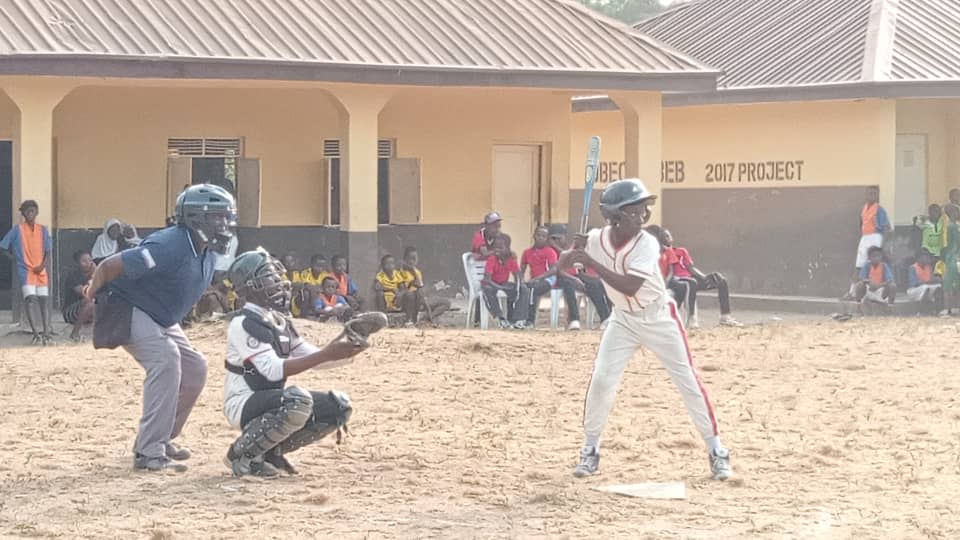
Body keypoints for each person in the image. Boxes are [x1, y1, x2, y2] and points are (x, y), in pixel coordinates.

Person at [557, 178, 731, 481]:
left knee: (687, 380)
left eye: (643, 211)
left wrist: (590, 262)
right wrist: (573, 251)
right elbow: (562, 266)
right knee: (601, 379)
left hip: (659, 317)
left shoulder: (647, 243)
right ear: (614, 216)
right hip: (623, 320)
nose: (642, 217)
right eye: (633, 212)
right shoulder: (597, 238)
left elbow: (630, 285)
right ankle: (590, 450)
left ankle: (717, 451)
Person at [84, 184, 237, 472]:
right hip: (131, 308)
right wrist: (91, 293)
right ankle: (149, 453)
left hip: (161, 316)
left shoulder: (207, 249)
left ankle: (161, 437)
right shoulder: (170, 244)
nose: (225, 224)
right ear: (196, 218)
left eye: (227, 217)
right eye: (218, 217)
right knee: (166, 361)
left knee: (195, 369)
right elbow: (109, 266)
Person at [222, 249, 365, 477]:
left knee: (338, 406)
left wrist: (351, 347)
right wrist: (327, 353)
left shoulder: (279, 321)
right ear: (250, 287)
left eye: (278, 276)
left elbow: (314, 357)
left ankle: (270, 451)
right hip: (244, 401)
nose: (279, 283)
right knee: (297, 399)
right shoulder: (244, 324)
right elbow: (271, 370)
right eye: (270, 277)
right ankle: (241, 454)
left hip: (270, 401)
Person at [657, 228, 743, 328]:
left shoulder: (682, 251)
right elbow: (668, 272)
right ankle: (691, 320)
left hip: (689, 278)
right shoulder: (662, 255)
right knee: (691, 283)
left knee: (720, 279)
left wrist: (704, 277)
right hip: (677, 280)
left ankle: (725, 317)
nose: (667, 238)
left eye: (668, 236)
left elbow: (691, 268)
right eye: (664, 237)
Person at [0, 200, 53, 345]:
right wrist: (15, 260)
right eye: (27, 211)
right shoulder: (17, 230)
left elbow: (48, 251)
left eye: (33, 211)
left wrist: (43, 265)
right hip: (26, 270)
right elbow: (3, 247)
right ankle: (36, 333)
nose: (30, 213)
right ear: (23, 213)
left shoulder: (42, 230)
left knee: (43, 300)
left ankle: (46, 331)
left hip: (40, 270)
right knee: (30, 299)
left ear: (37, 212)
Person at [547, 224, 611, 329]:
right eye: (553, 238)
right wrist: (574, 279)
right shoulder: (550, 251)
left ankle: (605, 318)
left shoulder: (570, 247)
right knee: (568, 285)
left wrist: (580, 276)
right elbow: (558, 270)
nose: (556, 241)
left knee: (594, 284)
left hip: (576, 275)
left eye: (559, 238)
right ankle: (574, 320)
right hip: (561, 277)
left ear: (565, 237)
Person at [517, 226, 568, 329]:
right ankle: (517, 319)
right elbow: (521, 270)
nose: (540, 238)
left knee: (532, 290)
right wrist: (521, 281)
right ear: (534, 236)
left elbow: (553, 270)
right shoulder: (527, 252)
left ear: (547, 238)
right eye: (538, 235)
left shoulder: (549, 252)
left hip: (548, 280)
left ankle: (530, 321)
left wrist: (538, 278)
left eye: (544, 236)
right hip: (535, 280)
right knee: (521, 289)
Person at [846, 187, 891, 299]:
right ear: (866, 195)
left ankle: (873, 294)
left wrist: (882, 245)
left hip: (875, 237)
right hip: (865, 238)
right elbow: (861, 225)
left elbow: (886, 228)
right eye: (870, 193)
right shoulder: (864, 209)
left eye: (874, 194)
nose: (872, 195)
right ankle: (851, 292)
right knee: (858, 265)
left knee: (872, 264)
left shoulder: (879, 209)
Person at [398, 246, 451, 325]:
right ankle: (415, 319)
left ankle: (429, 317)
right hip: (410, 302)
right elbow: (405, 290)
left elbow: (420, 286)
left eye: (415, 259)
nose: (412, 261)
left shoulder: (417, 272)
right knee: (413, 295)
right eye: (410, 259)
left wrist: (433, 288)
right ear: (405, 259)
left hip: (421, 300)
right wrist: (411, 270)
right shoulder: (401, 272)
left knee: (447, 303)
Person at [482, 234, 525, 329]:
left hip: (503, 283)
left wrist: (518, 284)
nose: (497, 250)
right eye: (495, 248)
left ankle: (514, 318)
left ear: (508, 248)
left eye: (500, 248)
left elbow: (517, 274)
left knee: (520, 289)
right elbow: (487, 279)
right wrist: (500, 288)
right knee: (488, 290)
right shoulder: (492, 259)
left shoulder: (510, 259)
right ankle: (500, 317)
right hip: (490, 283)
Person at [62, 249, 97, 342]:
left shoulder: (95, 273)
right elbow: (84, 293)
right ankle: (75, 333)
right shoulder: (73, 275)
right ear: (77, 263)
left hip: (89, 313)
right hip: (70, 312)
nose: (88, 263)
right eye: (84, 261)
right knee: (90, 302)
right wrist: (94, 276)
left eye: (90, 260)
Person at [855, 246, 897, 311]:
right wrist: (869, 282)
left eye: (878, 256)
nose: (876, 258)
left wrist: (879, 285)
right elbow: (861, 278)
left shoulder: (884, 265)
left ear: (881, 257)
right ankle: (858, 306)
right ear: (869, 257)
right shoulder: (867, 265)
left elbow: (890, 280)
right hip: (869, 290)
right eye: (874, 256)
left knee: (893, 285)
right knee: (859, 285)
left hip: (881, 291)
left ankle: (890, 306)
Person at [906, 248, 942, 313]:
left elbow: (931, 279)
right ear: (919, 258)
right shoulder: (912, 267)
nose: (928, 258)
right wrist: (928, 282)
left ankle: (938, 311)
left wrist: (937, 279)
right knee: (925, 287)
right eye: (926, 256)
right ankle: (921, 311)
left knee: (938, 286)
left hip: (927, 287)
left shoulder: (929, 267)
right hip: (914, 290)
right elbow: (914, 283)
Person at [942, 204, 960, 317]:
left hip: (952, 257)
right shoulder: (953, 227)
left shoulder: (952, 226)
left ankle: (949, 309)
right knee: (952, 283)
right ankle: (951, 308)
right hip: (954, 257)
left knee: (949, 283)